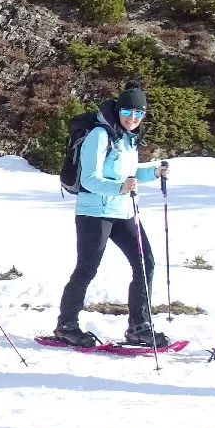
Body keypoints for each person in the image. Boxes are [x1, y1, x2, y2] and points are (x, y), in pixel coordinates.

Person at [51, 80, 170, 349]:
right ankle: (66, 325)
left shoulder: (129, 138)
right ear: (118, 110)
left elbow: (130, 174)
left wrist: (154, 172)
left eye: (139, 113)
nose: (133, 118)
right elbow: (89, 179)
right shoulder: (99, 135)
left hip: (123, 211)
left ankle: (139, 326)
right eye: (128, 111)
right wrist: (119, 186)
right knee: (87, 268)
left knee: (145, 263)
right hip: (94, 212)